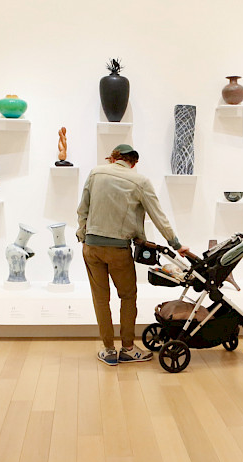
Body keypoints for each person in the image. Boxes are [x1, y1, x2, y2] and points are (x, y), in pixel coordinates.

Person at [77, 144, 189, 366]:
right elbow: (158, 216)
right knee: (127, 297)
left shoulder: (96, 173)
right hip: (118, 249)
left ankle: (108, 350)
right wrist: (175, 244)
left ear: (114, 158)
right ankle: (128, 348)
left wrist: (83, 235)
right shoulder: (140, 181)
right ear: (134, 162)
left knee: (101, 299)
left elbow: (83, 210)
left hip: (91, 248)